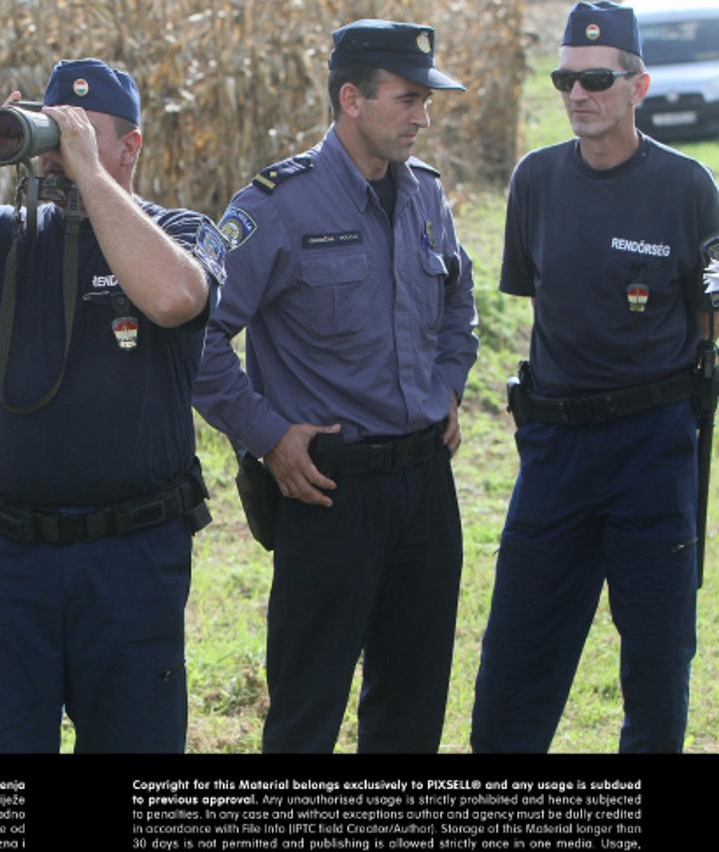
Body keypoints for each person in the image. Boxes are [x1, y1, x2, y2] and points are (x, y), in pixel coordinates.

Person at [0, 59, 224, 752]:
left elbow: (175, 298)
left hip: (130, 559)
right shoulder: (0, 232)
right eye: (46, 132)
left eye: (80, 132)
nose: (54, 151)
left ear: (131, 145)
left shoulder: (179, 231)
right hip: (9, 559)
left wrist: (89, 172)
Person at [193, 20, 478, 753]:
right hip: (327, 490)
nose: (422, 116)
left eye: (426, 100)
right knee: (306, 710)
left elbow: (458, 304)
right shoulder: (274, 205)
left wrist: (448, 384)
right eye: (408, 99)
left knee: (412, 708)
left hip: (424, 486)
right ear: (351, 98)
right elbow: (195, 338)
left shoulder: (425, 195)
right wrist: (267, 436)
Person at [471, 2, 719, 753]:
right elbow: (547, 302)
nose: (579, 94)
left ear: (637, 87)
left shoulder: (688, 187)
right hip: (555, 453)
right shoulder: (537, 180)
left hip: (654, 449)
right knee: (517, 649)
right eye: (565, 80)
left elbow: (710, 321)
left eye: (597, 79)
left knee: (656, 653)